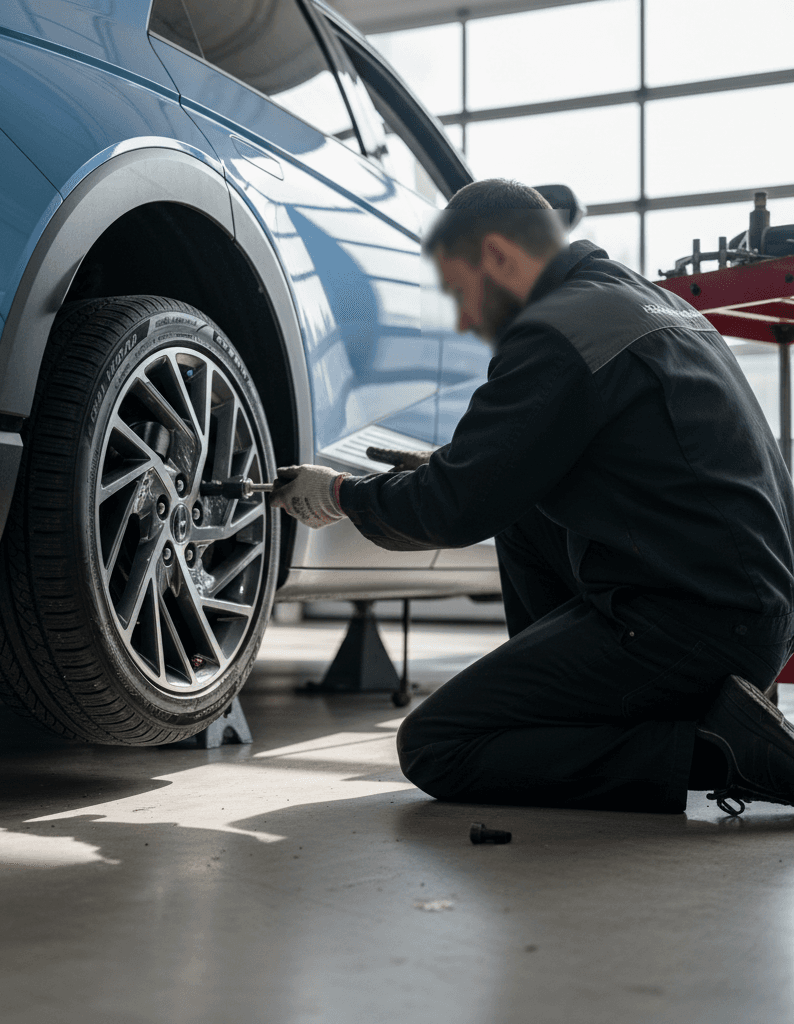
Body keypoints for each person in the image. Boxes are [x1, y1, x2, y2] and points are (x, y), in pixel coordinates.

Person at [270, 178, 794, 817]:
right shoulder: (636, 301)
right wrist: (454, 468)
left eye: (459, 292)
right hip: (751, 614)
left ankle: (719, 750)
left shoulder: (557, 332)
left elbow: (454, 508)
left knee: (439, 745)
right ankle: (576, 705)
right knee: (520, 509)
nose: (463, 320)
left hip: (697, 629)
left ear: (495, 255)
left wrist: (339, 493)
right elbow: (522, 471)